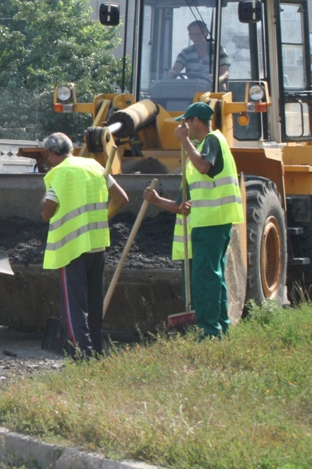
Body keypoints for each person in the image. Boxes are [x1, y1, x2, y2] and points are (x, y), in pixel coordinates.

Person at [143, 102, 243, 338]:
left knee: (207, 277)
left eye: (186, 122)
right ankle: (220, 325)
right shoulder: (198, 150)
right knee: (214, 275)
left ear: (195, 122)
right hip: (208, 222)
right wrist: (158, 201)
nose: (183, 126)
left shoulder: (212, 141)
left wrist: (184, 141)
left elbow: (204, 165)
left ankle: (210, 331)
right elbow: (182, 205)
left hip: (211, 222)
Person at [40, 132, 129, 359]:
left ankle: (82, 356)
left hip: (72, 248)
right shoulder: (94, 165)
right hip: (97, 245)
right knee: (94, 304)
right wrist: (99, 219)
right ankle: (97, 352)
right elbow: (121, 199)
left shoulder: (60, 173)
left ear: (50, 154)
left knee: (74, 307)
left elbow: (46, 211)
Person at [167, 20, 231, 88]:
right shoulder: (186, 52)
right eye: (194, 34)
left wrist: (215, 82)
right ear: (190, 36)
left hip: (214, 89)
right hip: (192, 89)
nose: (197, 37)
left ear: (206, 33)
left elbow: (225, 74)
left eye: (200, 33)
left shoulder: (219, 50)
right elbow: (176, 68)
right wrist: (172, 73)